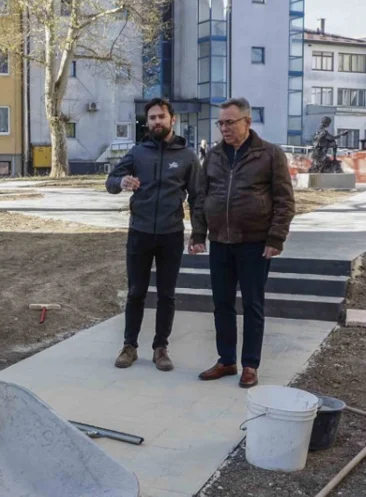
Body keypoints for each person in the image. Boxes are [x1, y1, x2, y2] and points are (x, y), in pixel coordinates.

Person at [189, 97, 295, 388]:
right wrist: (198, 234)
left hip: (255, 243)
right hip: (220, 242)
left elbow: (285, 201)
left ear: (247, 122)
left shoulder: (270, 155)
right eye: (220, 123)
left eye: (230, 122)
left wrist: (276, 237)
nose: (224, 128)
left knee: (252, 305)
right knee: (222, 304)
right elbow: (200, 198)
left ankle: (250, 365)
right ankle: (226, 361)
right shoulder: (212, 156)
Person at [106, 98, 203, 371]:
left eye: (161, 116)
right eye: (151, 118)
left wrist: (198, 233)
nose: (156, 121)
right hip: (139, 233)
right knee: (136, 292)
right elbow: (111, 181)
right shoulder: (138, 153)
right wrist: (121, 181)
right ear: (146, 122)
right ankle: (129, 346)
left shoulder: (187, 156)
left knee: (166, 294)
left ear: (172, 119)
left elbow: (197, 197)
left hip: (171, 234)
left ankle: (161, 348)